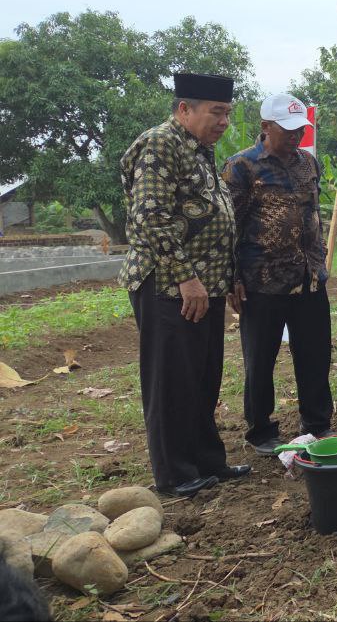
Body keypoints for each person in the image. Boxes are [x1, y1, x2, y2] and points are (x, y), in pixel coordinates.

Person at [118, 72, 250, 497]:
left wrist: (228, 279)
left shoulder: (199, 150)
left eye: (227, 113)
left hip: (206, 284)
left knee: (204, 377)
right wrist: (187, 278)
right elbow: (150, 217)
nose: (224, 121)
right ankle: (174, 473)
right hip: (168, 286)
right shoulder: (161, 144)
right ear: (184, 110)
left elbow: (212, 215)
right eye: (217, 112)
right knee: (172, 380)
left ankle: (207, 461)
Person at [223, 93, 334, 456]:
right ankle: (260, 429)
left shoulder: (309, 163)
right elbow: (231, 227)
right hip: (262, 280)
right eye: (287, 130)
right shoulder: (242, 166)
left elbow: (314, 213)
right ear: (265, 127)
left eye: (300, 129)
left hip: (309, 276)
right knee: (261, 358)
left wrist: (318, 261)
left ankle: (317, 423)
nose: (295, 136)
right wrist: (232, 278)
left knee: (315, 354)